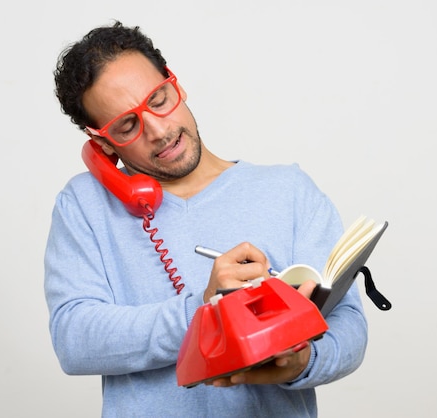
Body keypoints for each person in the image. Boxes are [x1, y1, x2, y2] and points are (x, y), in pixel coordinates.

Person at [45, 21, 368, 417]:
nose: (160, 131)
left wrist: (300, 363)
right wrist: (204, 312)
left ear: (174, 84)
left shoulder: (289, 190)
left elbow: (349, 324)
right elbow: (74, 339)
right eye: (127, 126)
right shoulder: (85, 205)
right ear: (101, 144)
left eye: (159, 99)